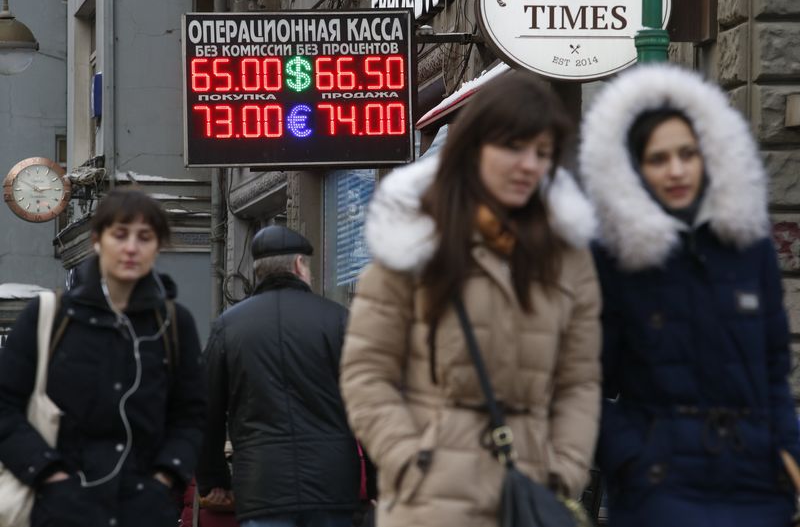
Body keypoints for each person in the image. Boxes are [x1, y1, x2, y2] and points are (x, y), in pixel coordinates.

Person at [339, 70, 602, 527]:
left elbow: (579, 379)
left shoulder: (565, 257)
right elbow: (366, 372)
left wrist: (564, 470)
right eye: (513, 147)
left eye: (542, 153)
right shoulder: (413, 243)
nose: (528, 165)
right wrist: (408, 459)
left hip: (532, 496)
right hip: (431, 501)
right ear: (474, 148)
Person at [579, 64, 800, 526]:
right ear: (634, 168)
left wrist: (786, 452)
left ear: (709, 155)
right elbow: (582, 380)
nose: (676, 170)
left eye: (688, 153)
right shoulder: (613, 257)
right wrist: (631, 454)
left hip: (757, 481)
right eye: (659, 159)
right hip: (660, 488)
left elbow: (774, 368)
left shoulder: (748, 246)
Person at [0, 188, 207, 527]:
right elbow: (5, 406)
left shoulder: (172, 323)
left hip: (143, 510)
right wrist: (49, 475)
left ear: (157, 247)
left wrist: (164, 478)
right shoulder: (49, 316)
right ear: (98, 239)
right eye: (120, 234)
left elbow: (191, 415)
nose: (131, 248)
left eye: (145, 237)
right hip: (60, 508)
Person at [197, 225, 363, 527]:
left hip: (262, 487)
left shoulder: (228, 327)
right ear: (300, 265)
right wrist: (380, 482)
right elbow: (370, 406)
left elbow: (206, 413)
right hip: (332, 485)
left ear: (259, 271)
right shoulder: (338, 320)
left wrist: (213, 479)